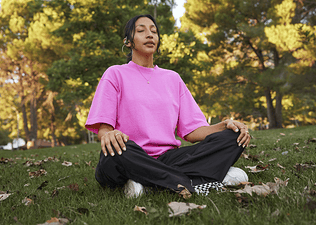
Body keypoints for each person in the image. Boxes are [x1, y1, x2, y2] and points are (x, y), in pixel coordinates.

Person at [85, 14, 251, 199]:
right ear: (128, 41)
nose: (149, 35)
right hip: (129, 154)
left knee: (233, 137)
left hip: (168, 157)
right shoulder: (115, 74)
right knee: (116, 152)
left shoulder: (172, 78)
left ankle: (149, 184)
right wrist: (110, 134)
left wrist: (225, 125)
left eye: (154, 31)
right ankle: (196, 182)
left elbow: (193, 131)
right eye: (141, 31)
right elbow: (104, 130)